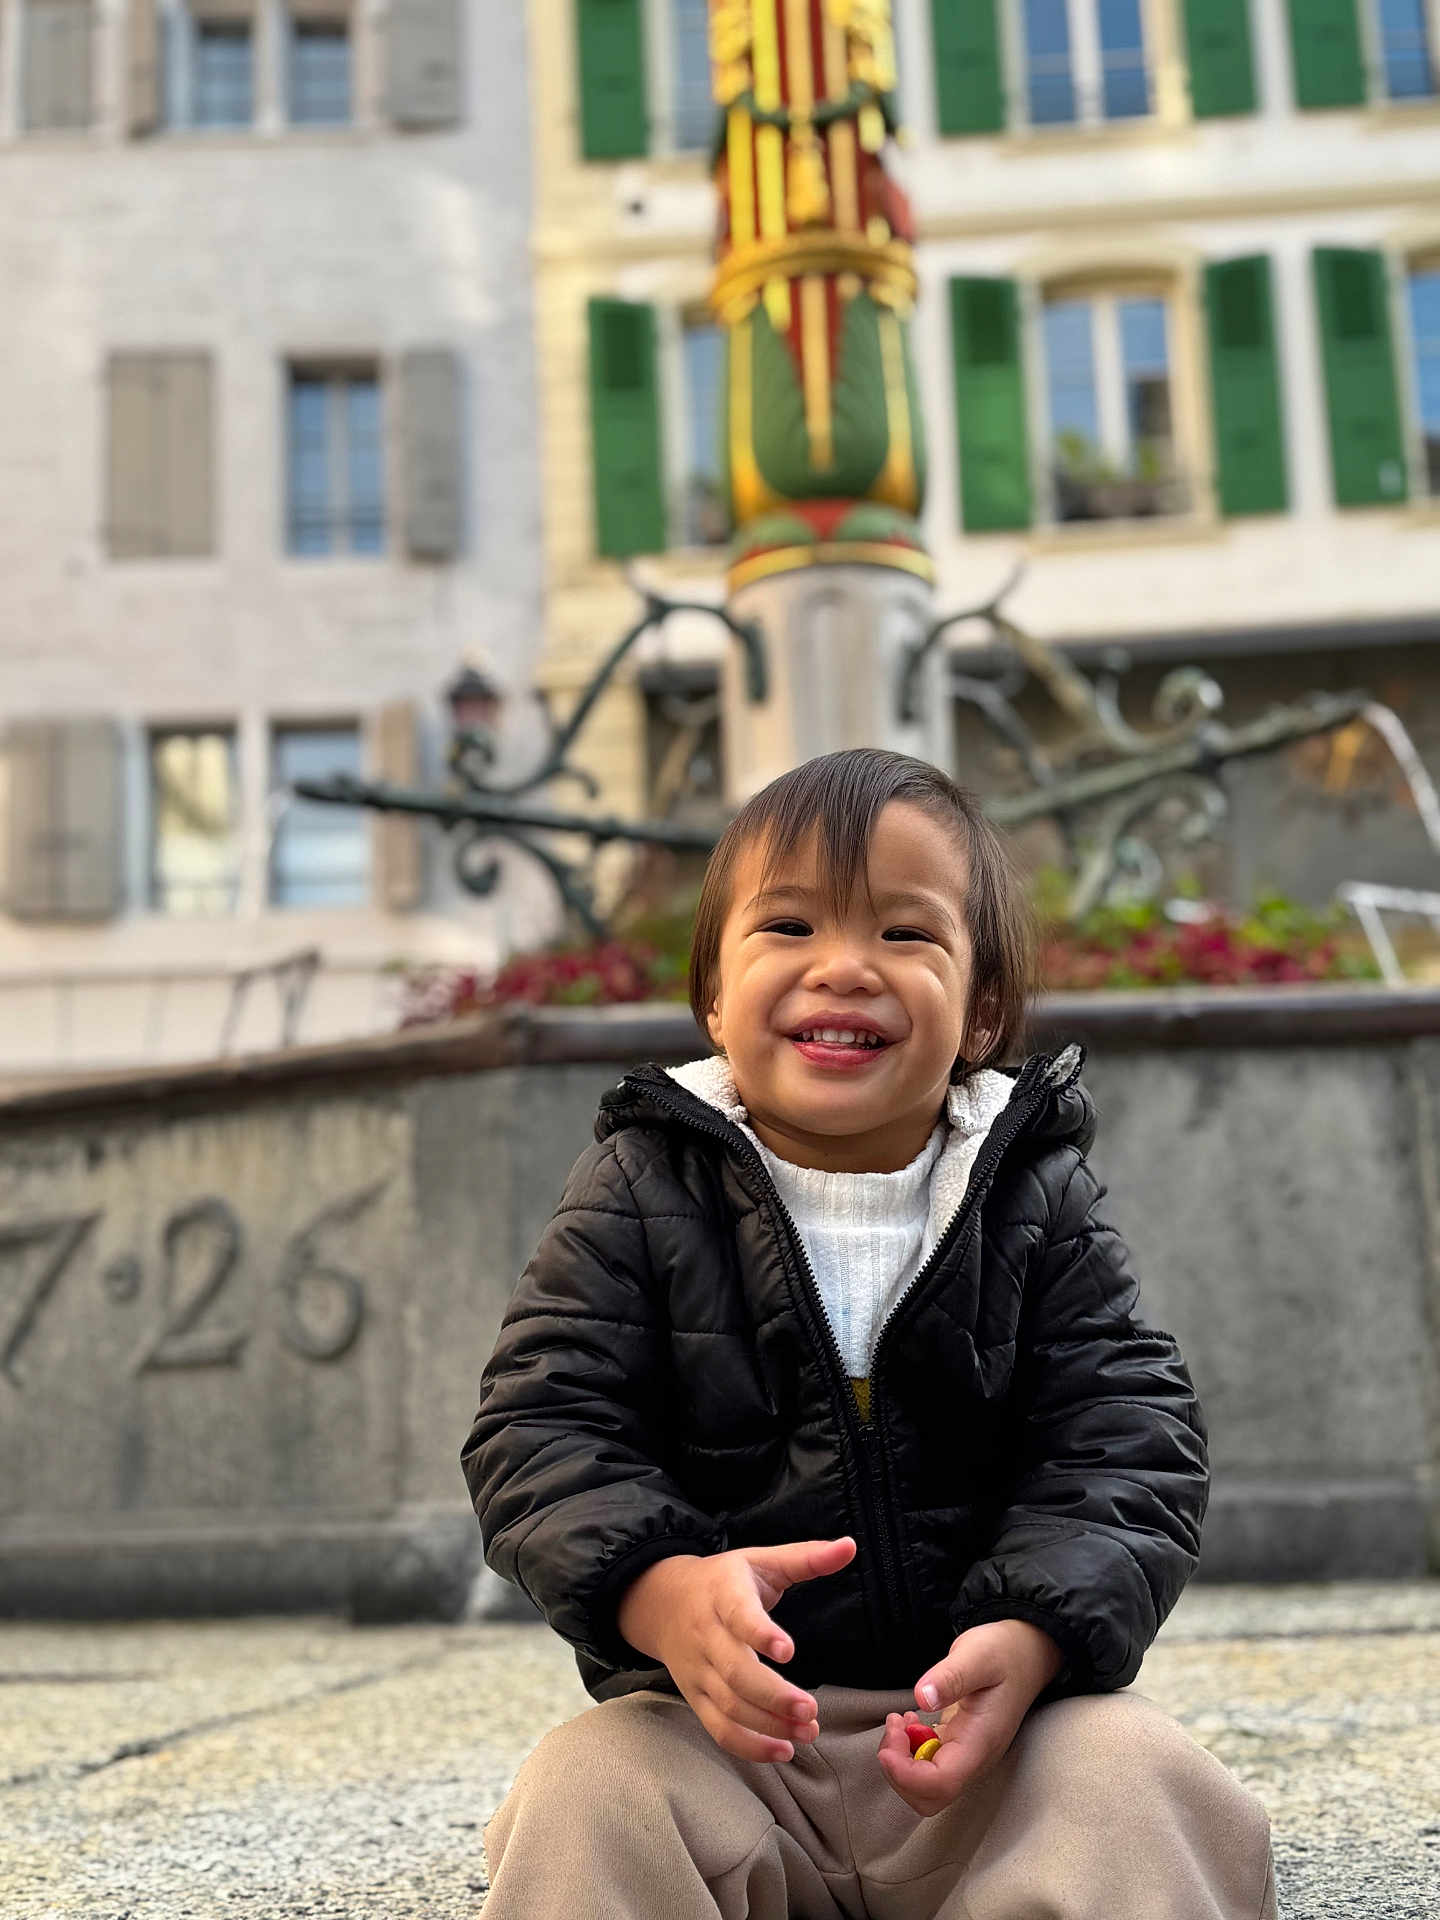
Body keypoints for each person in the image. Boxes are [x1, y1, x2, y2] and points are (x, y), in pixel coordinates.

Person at [463, 747, 1276, 1919]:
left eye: (905, 935)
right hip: (727, 1744)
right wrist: (661, 1590)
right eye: (787, 927)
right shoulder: (641, 1186)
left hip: (984, 1745)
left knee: (1137, 1778)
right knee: (588, 1791)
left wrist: (1035, 1632)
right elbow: (539, 1425)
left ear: (981, 1009)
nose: (842, 968)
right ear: (710, 997)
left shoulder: (1035, 1199)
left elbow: (1129, 1438)